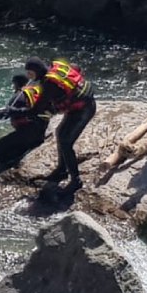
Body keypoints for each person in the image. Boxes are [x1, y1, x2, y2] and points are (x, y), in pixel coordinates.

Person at [18, 56, 97, 193]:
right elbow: (76, 68)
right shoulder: (54, 70)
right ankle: (61, 170)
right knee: (60, 133)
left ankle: (76, 180)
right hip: (80, 104)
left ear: (37, 71)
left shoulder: (49, 84)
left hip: (83, 110)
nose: (28, 76)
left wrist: (16, 111)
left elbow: (37, 109)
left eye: (30, 73)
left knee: (66, 141)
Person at [0, 74, 49, 178]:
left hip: (27, 134)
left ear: (16, 84)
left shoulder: (17, 97)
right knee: (3, 156)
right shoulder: (36, 91)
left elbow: (4, 116)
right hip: (40, 131)